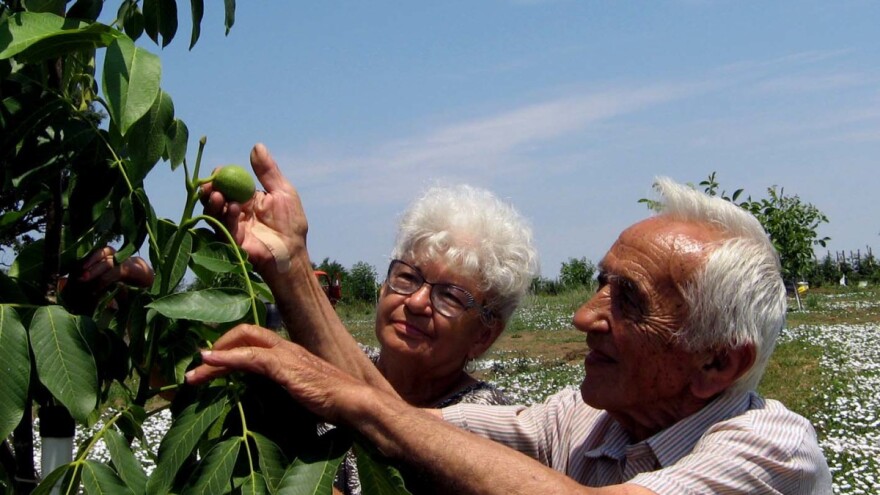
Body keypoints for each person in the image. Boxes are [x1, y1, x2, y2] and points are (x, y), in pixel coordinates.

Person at [189, 148, 831, 493]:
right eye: (598, 285)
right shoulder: (580, 423)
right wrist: (292, 265)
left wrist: (348, 399)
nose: (583, 316)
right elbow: (400, 417)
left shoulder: (773, 452)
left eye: (627, 300)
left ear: (718, 362)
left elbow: (377, 413)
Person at [200, 144, 539, 493]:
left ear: (484, 335)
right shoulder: (327, 370)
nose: (418, 301)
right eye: (407, 277)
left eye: (450, 296)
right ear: (382, 288)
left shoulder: (489, 423)